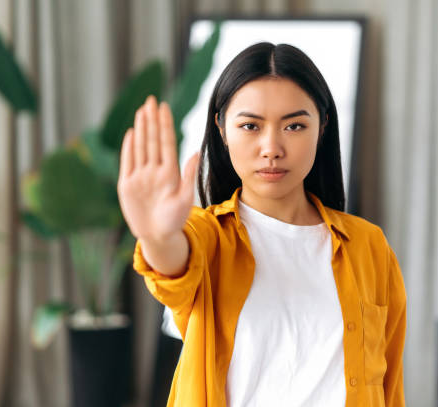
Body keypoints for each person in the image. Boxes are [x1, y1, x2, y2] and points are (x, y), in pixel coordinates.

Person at [117, 42, 407, 407]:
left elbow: (390, 386)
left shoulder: (369, 247)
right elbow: (172, 265)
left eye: (295, 125)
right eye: (251, 125)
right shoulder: (206, 237)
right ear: (222, 129)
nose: (271, 147)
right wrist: (156, 236)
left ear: (322, 127)